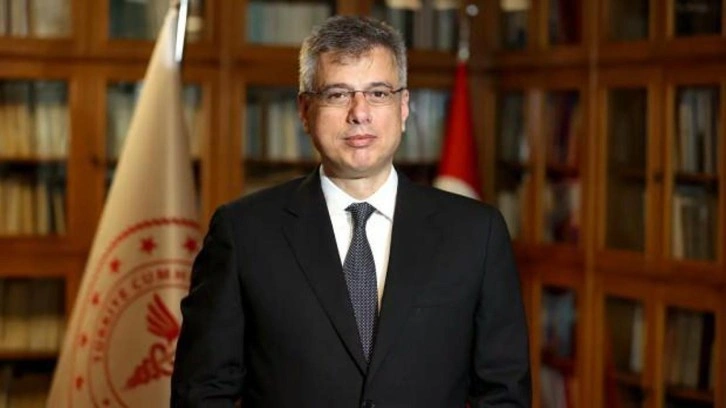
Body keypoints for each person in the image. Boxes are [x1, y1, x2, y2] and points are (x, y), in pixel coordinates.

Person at [171, 15, 531, 408]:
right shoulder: (243, 233)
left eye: (378, 93)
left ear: (404, 107)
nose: (360, 113)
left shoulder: (476, 233)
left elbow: (504, 394)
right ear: (304, 110)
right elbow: (202, 393)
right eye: (338, 94)